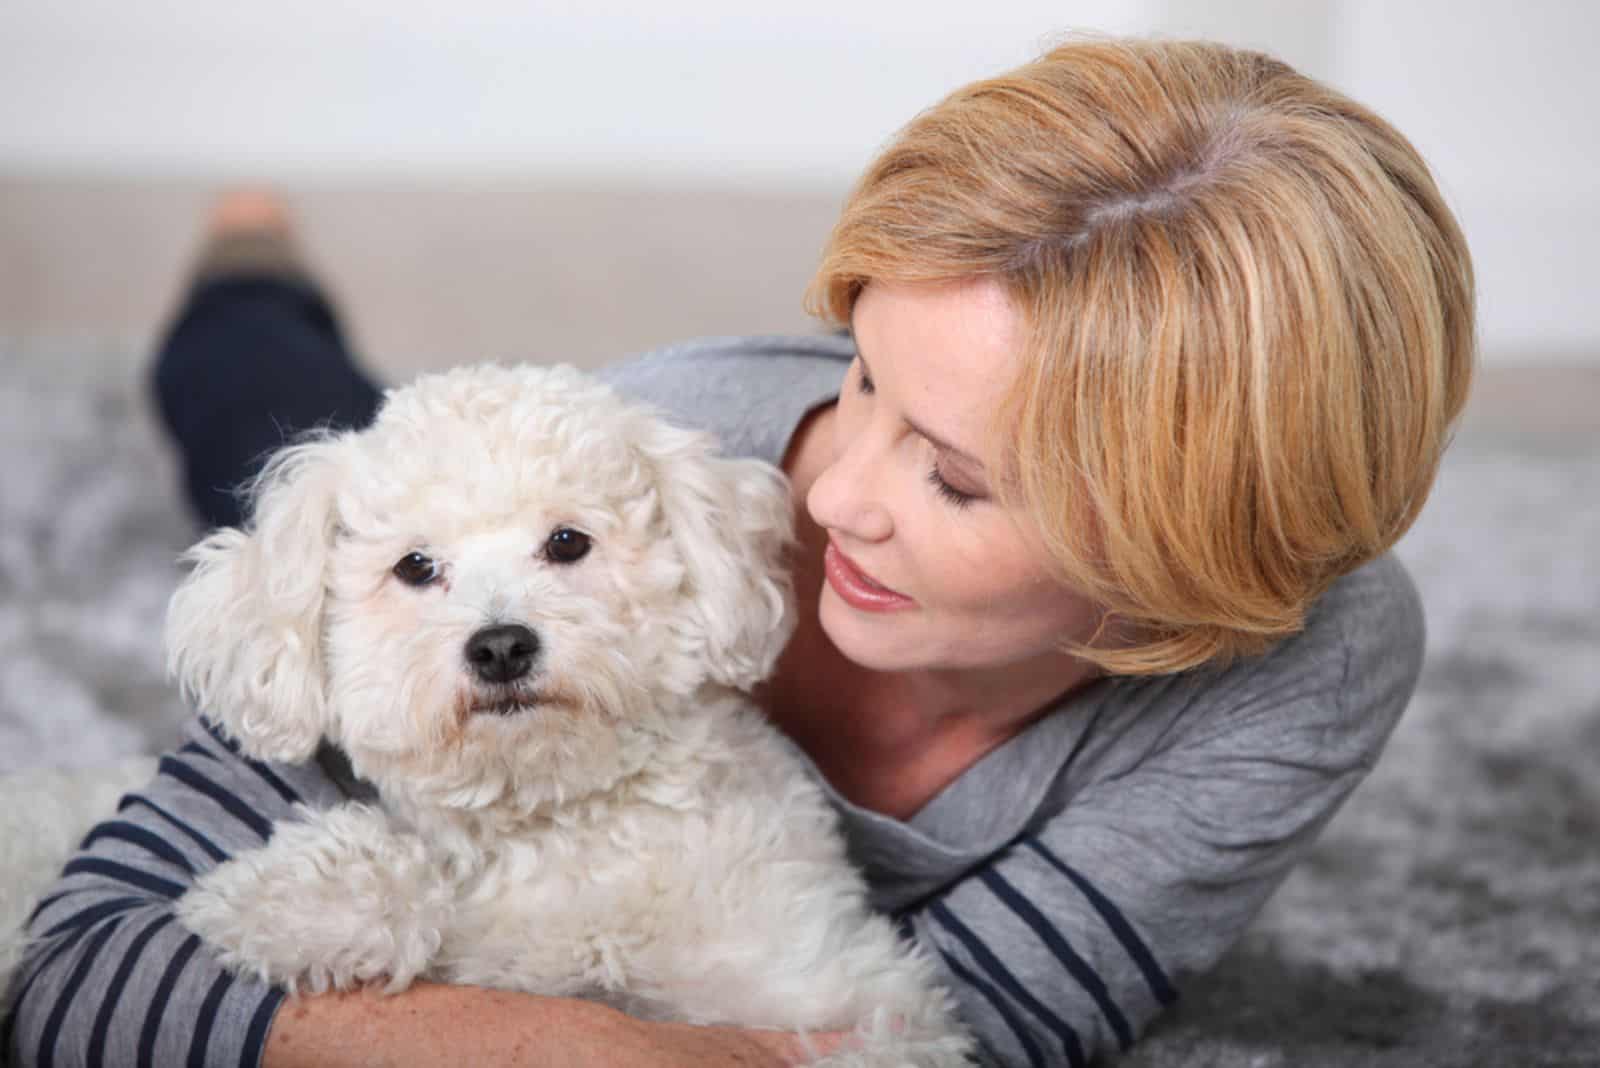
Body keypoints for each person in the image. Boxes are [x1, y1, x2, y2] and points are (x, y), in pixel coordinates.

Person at [5, 35, 1473, 1068]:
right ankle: (249, 267)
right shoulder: (651, 458)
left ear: (1183, 568)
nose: (831, 503)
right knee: (269, 424)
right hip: (470, 498)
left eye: (954, 480)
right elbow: (82, 982)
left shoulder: (1308, 661)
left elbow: (960, 1029)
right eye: (863, 375)